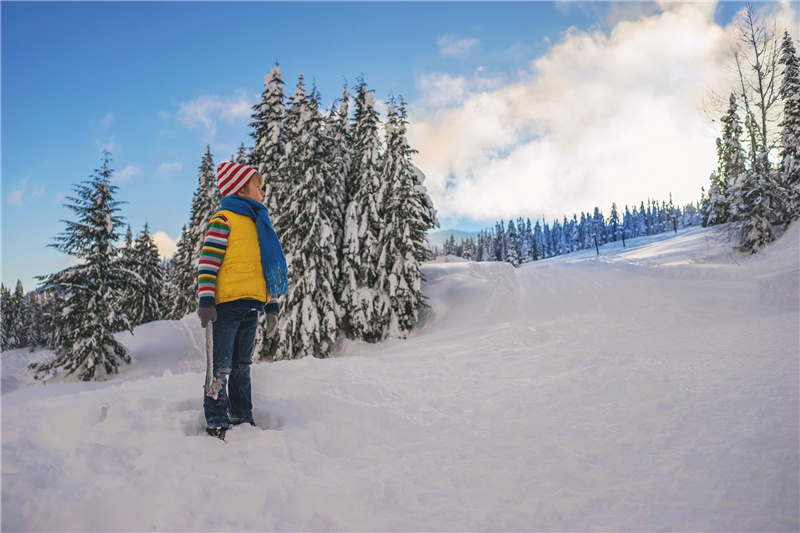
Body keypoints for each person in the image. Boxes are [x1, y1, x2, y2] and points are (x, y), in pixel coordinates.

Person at [197, 162, 288, 440]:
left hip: (252, 306)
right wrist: (206, 300)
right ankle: (216, 417)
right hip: (225, 305)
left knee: (242, 365)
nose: (262, 190)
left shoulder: (258, 222)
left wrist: (271, 304)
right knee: (220, 365)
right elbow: (208, 262)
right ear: (241, 189)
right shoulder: (223, 219)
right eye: (258, 186)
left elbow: (265, 267)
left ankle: (241, 414)